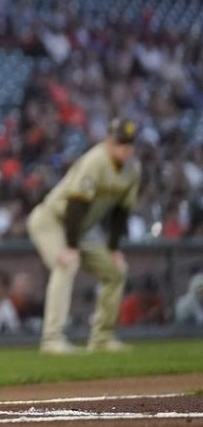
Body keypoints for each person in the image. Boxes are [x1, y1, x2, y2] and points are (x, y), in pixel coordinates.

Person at [26, 118, 141, 354]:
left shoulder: (133, 169)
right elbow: (75, 206)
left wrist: (113, 248)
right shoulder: (95, 161)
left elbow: (122, 211)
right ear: (109, 141)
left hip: (81, 229)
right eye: (120, 143)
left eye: (129, 144)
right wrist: (70, 247)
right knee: (67, 264)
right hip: (52, 221)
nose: (125, 149)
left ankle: (102, 338)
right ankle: (52, 339)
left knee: (116, 271)